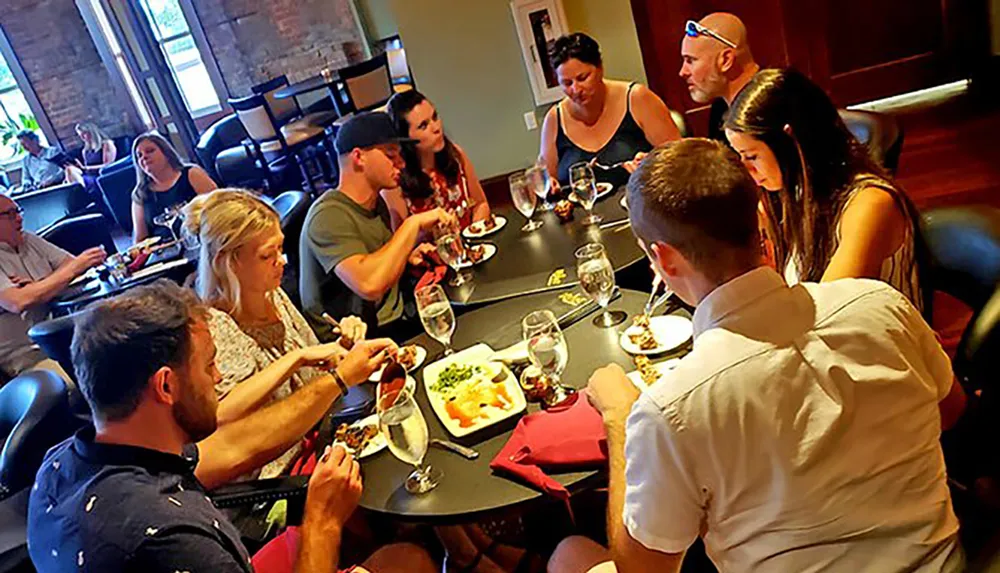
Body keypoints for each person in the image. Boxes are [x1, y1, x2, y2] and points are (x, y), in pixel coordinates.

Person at [547, 139, 966, 573]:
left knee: (569, 555)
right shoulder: (882, 303)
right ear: (760, 219)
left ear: (663, 258)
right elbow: (951, 408)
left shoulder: (668, 411)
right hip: (943, 564)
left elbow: (644, 569)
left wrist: (619, 418)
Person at [27, 280, 435, 573]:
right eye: (209, 366)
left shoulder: (64, 463)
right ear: (166, 385)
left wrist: (338, 380)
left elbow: (234, 447)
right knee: (408, 560)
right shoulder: (172, 540)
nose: (219, 377)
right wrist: (321, 523)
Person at [184, 188, 377, 477]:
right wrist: (297, 358)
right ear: (228, 261)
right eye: (267, 255)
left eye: (280, 248)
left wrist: (341, 345)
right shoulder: (214, 325)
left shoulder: (270, 292)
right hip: (283, 471)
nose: (282, 261)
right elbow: (220, 416)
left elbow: (314, 378)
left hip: (325, 430)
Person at [724, 68, 926, 310]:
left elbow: (828, 314)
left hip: (879, 340)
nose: (747, 170)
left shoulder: (870, 204)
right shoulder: (788, 193)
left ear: (792, 143)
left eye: (752, 156)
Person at [300, 112, 454, 338]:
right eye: (391, 155)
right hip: (356, 341)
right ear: (358, 157)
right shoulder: (327, 216)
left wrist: (407, 256)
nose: (401, 164)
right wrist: (412, 225)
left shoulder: (376, 201)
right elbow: (370, 284)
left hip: (396, 316)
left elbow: (378, 260)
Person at [540, 33, 680, 188]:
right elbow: (546, 180)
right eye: (567, 83)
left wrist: (651, 165)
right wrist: (549, 184)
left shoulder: (637, 98)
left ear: (600, 68)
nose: (576, 89)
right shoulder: (554, 119)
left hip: (641, 205)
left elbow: (681, 160)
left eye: (582, 78)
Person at [0, 194, 104, 381]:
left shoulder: (29, 240)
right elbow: (18, 301)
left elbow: (72, 265)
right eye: (9, 214)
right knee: (91, 375)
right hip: (28, 353)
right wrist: (38, 290)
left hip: (63, 332)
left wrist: (39, 288)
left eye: (18, 211)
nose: (19, 217)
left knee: (118, 349)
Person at [384, 90, 491, 231]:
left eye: (435, 117)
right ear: (406, 139)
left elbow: (480, 204)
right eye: (423, 126)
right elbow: (401, 242)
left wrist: (476, 232)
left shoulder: (455, 155)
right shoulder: (395, 180)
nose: (436, 128)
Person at [679, 13, 760, 141]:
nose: (682, 72)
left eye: (691, 60)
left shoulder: (774, 102)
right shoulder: (720, 107)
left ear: (726, 60)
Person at [131, 132, 217, 244]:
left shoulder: (192, 174)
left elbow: (219, 208)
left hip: (204, 240)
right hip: (164, 252)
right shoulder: (140, 194)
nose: (144, 157)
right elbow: (140, 240)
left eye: (150, 151)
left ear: (166, 153)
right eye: (139, 155)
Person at [17, 129, 82, 191]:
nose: (24, 147)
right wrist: (27, 185)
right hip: (39, 189)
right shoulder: (26, 160)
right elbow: (25, 178)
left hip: (57, 185)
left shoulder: (52, 152)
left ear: (35, 140)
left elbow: (67, 169)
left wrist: (52, 180)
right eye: (22, 145)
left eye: (25, 143)